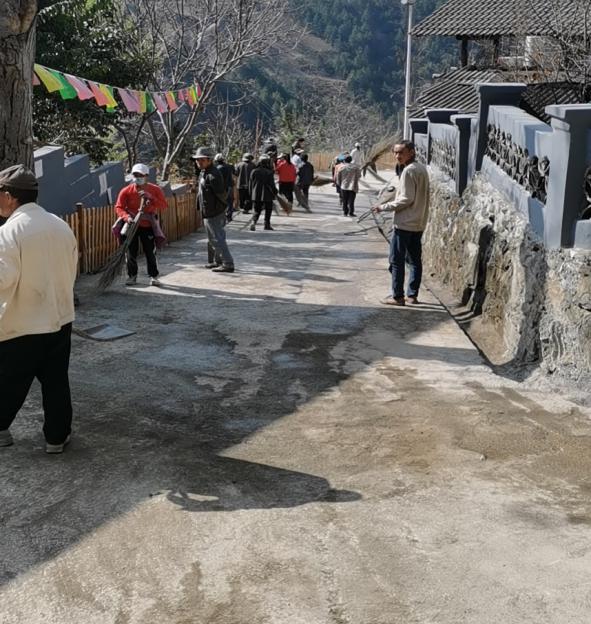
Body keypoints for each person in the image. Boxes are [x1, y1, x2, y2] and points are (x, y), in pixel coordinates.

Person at [0, 164, 78, 454]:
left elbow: (3, 278)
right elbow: (71, 269)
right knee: (56, 381)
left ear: (9, 196)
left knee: (10, 381)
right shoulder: (60, 225)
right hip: (60, 318)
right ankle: (56, 438)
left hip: (23, 322)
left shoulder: (10, 231)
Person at [372, 140, 430, 306]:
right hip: (418, 222)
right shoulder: (421, 168)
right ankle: (412, 295)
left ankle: (397, 296)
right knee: (415, 261)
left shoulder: (408, 171)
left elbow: (406, 199)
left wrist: (383, 207)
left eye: (401, 152)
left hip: (404, 224)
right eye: (396, 153)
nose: (397, 156)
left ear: (411, 152)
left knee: (396, 261)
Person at [114, 163, 167, 287]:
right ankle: (132, 276)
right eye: (135, 175)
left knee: (150, 252)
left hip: (147, 225)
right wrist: (126, 217)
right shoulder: (126, 191)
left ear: (146, 176)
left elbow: (163, 205)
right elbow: (119, 207)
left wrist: (151, 198)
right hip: (131, 225)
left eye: (140, 175)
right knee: (130, 252)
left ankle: (153, 276)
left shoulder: (155, 190)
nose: (138, 177)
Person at [193, 147, 235, 272]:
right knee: (212, 239)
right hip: (209, 211)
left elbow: (221, 195)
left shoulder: (213, 175)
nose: (199, 162)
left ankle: (228, 263)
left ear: (210, 160)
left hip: (214, 212)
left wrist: (220, 210)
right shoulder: (205, 172)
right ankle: (218, 261)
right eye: (197, 160)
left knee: (217, 238)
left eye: (202, 160)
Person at [249, 155, 278, 231]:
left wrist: (251, 194)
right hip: (267, 195)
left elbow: (250, 184)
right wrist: (275, 192)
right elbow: (272, 185)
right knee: (268, 209)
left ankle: (253, 222)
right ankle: (267, 224)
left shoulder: (254, 171)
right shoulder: (269, 172)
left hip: (256, 194)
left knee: (257, 210)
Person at [214, 154, 236, 222]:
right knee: (230, 201)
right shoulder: (229, 166)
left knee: (222, 201)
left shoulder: (218, 168)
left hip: (223, 187)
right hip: (230, 186)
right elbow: (235, 173)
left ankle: (221, 216)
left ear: (216, 161)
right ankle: (229, 216)